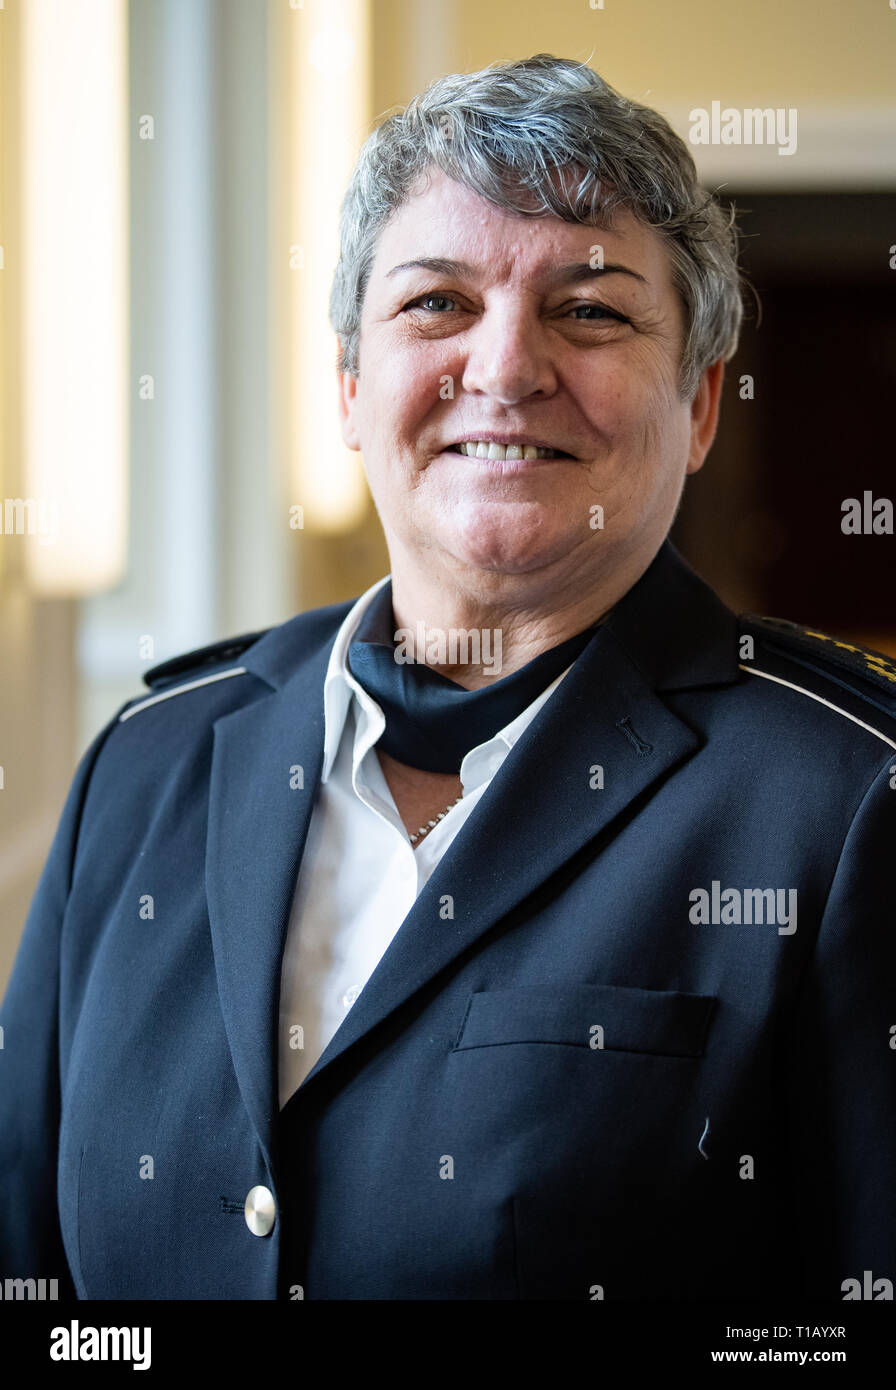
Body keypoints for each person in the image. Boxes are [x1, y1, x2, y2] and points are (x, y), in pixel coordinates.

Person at [2, 54, 894, 1302]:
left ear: (696, 405)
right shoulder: (146, 761)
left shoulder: (850, 802)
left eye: (588, 310)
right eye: (435, 304)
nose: (504, 366)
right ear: (350, 386)